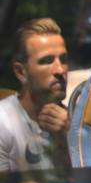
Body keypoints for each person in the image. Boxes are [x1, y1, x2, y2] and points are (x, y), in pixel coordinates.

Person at [0, 18, 70, 172]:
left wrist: (69, 139)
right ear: (20, 72)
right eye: (47, 60)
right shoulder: (3, 124)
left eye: (63, 59)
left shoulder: (75, 122)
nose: (60, 70)